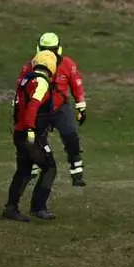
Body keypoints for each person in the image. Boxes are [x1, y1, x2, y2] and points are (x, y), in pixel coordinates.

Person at [18, 32, 88, 186]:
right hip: (39, 108)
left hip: (60, 108)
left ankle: (77, 170)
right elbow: (21, 90)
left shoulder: (68, 64)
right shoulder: (29, 67)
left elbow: (76, 85)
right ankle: (32, 168)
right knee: (35, 139)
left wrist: (81, 107)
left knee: (70, 135)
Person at [2, 50, 59, 223]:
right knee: (50, 167)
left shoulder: (26, 79)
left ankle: (11, 208)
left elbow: (19, 105)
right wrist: (31, 130)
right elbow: (33, 106)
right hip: (31, 135)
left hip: (19, 133)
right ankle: (38, 207)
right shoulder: (41, 83)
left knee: (24, 171)